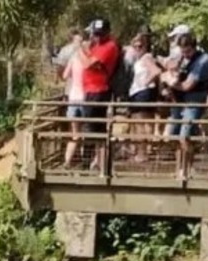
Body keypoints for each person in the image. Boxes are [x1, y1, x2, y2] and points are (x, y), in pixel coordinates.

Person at [163, 33, 208, 180]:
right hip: (178, 103)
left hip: (193, 102)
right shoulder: (181, 59)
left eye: (187, 51)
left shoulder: (203, 61)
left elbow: (188, 85)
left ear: (194, 47)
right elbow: (168, 67)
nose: (185, 54)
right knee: (174, 136)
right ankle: (178, 168)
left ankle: (187, 169)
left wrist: (172, 82)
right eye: (182, 51)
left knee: (185, 136)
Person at [79, 18, 120, 172]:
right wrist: (88, 48)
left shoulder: (109, 46)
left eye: (100, 34)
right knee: (92, 129)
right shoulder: (97, 45)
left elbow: (88, 63)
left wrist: (80, 49)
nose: (97, 37)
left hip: (98, 91)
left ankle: (87, 164)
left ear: (107, 33)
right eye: (95, 34)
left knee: (92, 129)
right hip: (90, 90)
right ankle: (95, 163)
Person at [127, 33, 162, 163]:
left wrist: (145, 83)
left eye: (140, 45)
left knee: (141, 123)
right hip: (137, 93)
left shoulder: (146, 58)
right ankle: (144, 151)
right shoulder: (138, 59)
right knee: (140, 123)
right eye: (135, 45)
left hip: (142, 93)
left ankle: (142, 153)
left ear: (145, 46)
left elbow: (156, 71)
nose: (137, 47)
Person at [62, 38, 87, 168]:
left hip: (73, 97)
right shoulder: (86, 60)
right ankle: (83, 158)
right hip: (84, 98)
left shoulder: (73, 59)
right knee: (84, 130)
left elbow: (65, 76)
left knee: (74, 133)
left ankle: (68, 161)